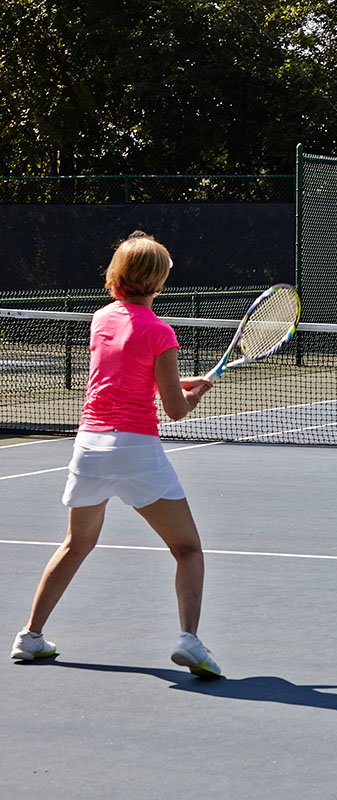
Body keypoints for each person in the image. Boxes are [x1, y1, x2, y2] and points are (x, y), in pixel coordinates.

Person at [10, 231, 222, 678]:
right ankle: (189, 640)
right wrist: (193, 393)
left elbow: (125, 374)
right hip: (135, 451)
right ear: (158, 282)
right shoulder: (161, 332)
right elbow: (175, 410)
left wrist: (179, 381)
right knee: (187, 549)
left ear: (117, 275)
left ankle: (30, 636)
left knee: (75, 544)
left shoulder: (100, 319)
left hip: (89, 447)